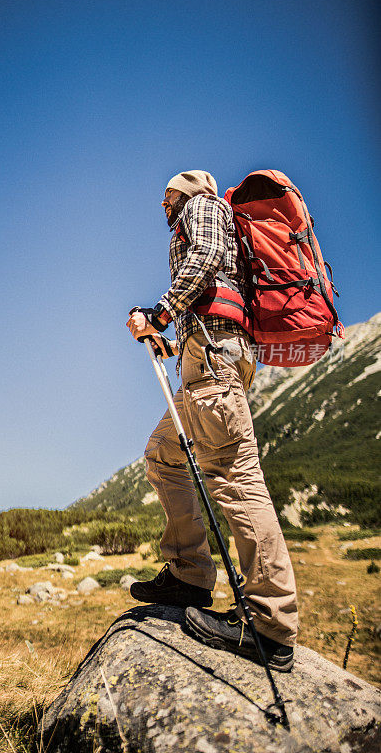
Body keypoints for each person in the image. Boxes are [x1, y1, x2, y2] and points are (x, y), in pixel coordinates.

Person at [126, 170, 298, 672]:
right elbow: (214, 298)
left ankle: (271, 623)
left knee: (234, 476)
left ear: (186, 191)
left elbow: (200, 261)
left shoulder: (200, 207)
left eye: (166, 196)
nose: (163, 205)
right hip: (206, 360)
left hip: (214, 367)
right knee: (164, 454)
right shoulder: (206, 217)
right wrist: (172, 339)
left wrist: (158, 314)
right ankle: (191, 575)